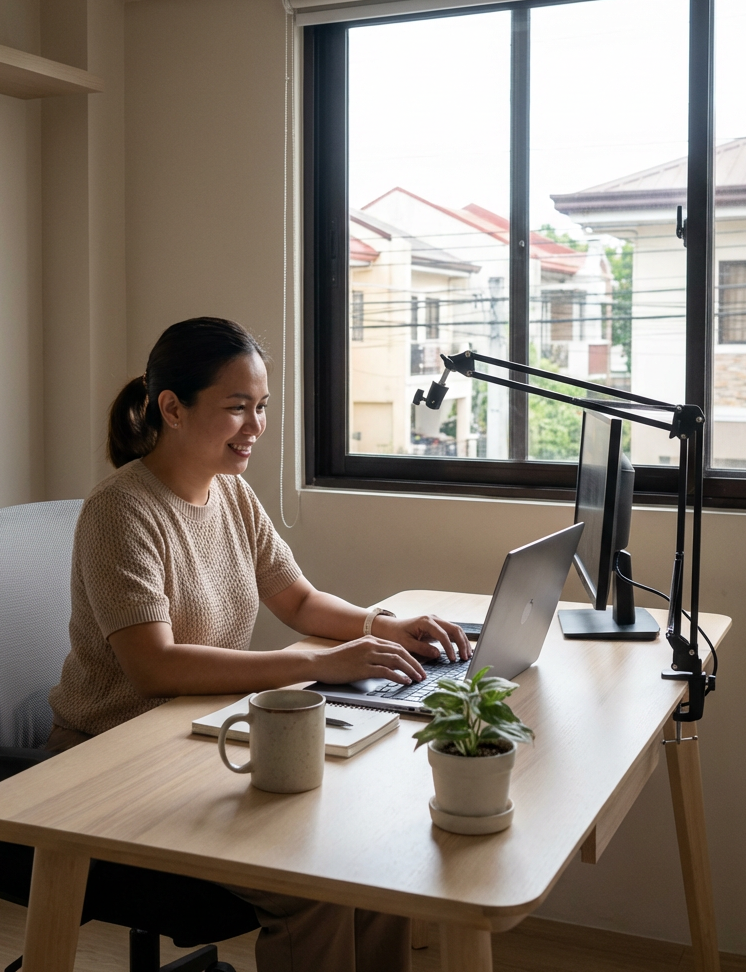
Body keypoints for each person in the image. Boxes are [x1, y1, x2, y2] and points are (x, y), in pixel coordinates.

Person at [47, 316, 470, 972]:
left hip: (199, 739)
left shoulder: (232, 494)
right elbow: (154, 668)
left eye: (262, 408)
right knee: (319, 888)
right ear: (172, 409)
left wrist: (382, 625)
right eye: (237, 407)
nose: (256, 426)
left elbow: (296, 598)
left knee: (385, 869)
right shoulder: (120, 511)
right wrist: (310, 662)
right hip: (116, 764)